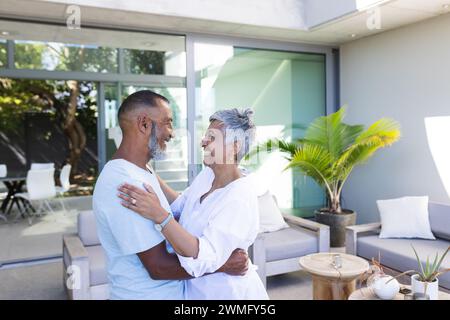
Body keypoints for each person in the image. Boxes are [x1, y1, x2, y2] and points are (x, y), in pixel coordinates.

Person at [93, 90, 248, 300]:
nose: (172, 133)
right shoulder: (125, 183)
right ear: (144, 124)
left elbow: (179, 210)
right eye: (168, 122)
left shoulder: (142, 172)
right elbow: (158, 267)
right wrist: (224, 264)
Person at [118, 108, 269, 299]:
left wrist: (160, 216)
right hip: (197, 293)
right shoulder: (207, 176)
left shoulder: (239, 196)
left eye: (212, 138)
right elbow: (183, 204)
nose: (203, 142)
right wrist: (145, 170)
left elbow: (201, 255)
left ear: (235, 146)